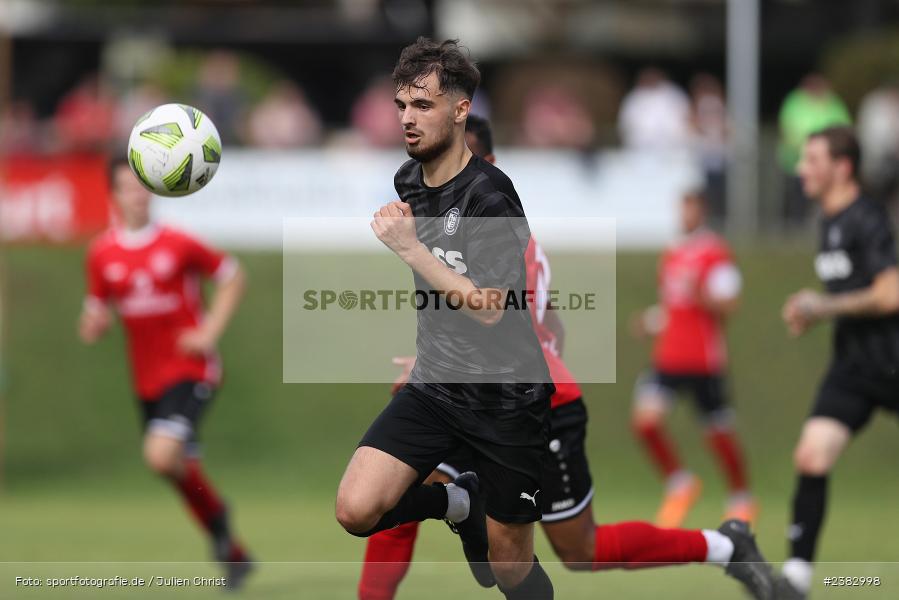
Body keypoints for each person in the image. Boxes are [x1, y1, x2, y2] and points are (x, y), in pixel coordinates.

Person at [356, 115, 776, 600]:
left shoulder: (508, 238)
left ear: (487, 166)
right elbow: (552, 324)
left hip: (533, 407)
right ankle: (455, 509)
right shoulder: (451, 236)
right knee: (397, 491)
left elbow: (515, 324)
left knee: (580, 550)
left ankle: (726, 546)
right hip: (469, 400)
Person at [334, 37, 557, 600]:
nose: (408, 120)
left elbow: (489, 308)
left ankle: (479, 505)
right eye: (402, 106)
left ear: (461, 111)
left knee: (508, 570)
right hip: (435, 385)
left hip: (507, 400)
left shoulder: (492, 196)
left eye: (423, 106)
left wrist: (411, 249)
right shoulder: (407, 181)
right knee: (356, 509)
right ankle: (460, 501)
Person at [79, 158, 253, 588]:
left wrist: (209, 331)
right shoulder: (102, 253)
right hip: (147, 379)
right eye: (126, 187)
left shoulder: (177, 244)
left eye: (142, 187)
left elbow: (232, 276)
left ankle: (218, 522)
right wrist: (93, 323)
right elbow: (96, 309)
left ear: (153, 191)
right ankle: (229, 545)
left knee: (159, 456)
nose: (137, 195)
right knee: (175, 468)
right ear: (114, 195)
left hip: (191, 369)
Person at [778, 126, 899, 599]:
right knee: (811, 454)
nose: (801, 168)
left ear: (842, 167)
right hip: (854, 367)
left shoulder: (866, 217)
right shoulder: (826, 220)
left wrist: (822, 307)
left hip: (894, 361)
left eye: (812, 160)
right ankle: (796, 579)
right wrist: (813, 315)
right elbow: (851, 294)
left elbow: (891, 293)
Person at [631, 190, 755, 529]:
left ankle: (741, 498)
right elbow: (674, 306)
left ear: (703, 210)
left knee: (719, 432)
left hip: (703, 357)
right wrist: (653, 320)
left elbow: (729, 304)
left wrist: (702, 294)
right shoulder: (672, 253)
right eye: (681, 208)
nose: (684, 215)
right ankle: (680, 484)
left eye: (691, 208)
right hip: (669, 355)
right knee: (645, 421)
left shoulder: (714, 252)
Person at [777, 75, 852, 228]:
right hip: (794, 157)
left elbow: (843, 128)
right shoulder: (795, 102)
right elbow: (789, 127)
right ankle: (795, 226)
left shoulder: (832, 102)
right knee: (798, 196)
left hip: (827, 160)